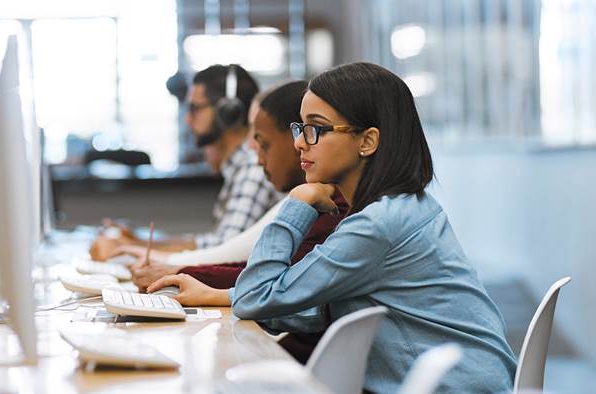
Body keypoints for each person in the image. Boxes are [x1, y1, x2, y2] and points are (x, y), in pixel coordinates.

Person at [148, 62, 517, 392]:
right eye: (301, 127)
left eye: (316, 129)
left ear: (368, 141)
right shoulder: (400, 208)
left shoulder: (377, 226)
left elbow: (257, 296)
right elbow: (322, 305)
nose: (298, 142)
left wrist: (297, 203)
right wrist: (216, 296)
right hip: (473, 379)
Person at [134, 81, 347, 363]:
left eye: (262, 141)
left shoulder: (333, 210)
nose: (301, 143)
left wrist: (187, 275)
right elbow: (264, 278)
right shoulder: (320, 199)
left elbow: (266, 285)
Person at [89, 64, 281, 259]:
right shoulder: (240, 168)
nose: (188, 120)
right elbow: (213, 242)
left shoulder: (253, 169)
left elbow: (222, 253)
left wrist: (130, 247)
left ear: (227, 112)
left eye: (195, 109)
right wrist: (137, 241)